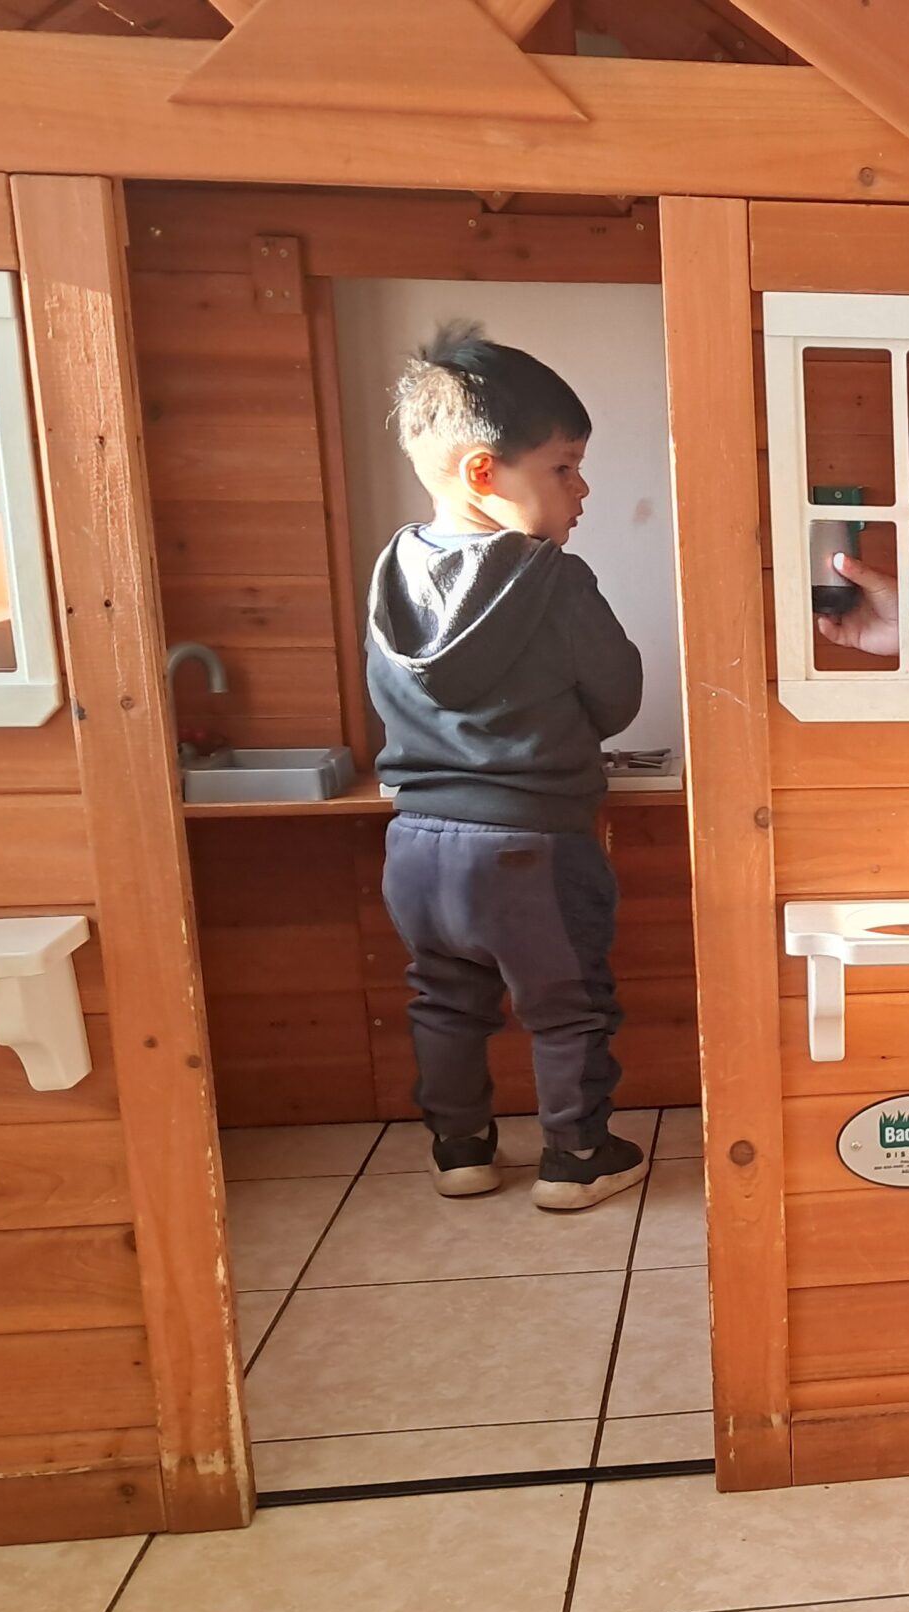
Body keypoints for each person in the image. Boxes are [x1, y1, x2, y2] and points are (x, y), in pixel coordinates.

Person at [366, 324, 649, 1211]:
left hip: (415, 846)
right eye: (564, 467)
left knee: (445, 1001)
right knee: (566, 1005)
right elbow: (618, 698)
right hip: (532, 847)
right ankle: (576, 1155)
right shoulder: (555, 580)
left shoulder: (392, 571)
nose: (582, 488)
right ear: (485, 472)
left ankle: (460, 1149)